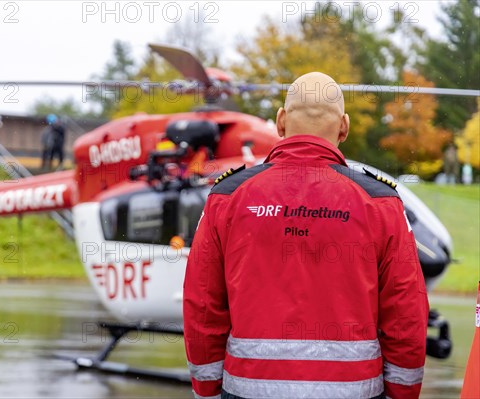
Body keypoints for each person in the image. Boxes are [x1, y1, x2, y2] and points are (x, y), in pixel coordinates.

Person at [183, 72, 429, 399]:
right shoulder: (382, 202)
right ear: (344, 126)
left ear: (281, 122)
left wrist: (208, 388)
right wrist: (402, 393)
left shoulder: (227, 196)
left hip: (248, 390)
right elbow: (406, 314)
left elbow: (202, 305)